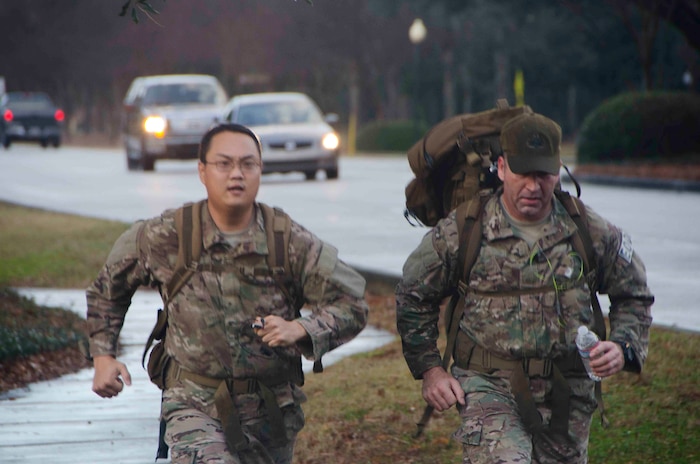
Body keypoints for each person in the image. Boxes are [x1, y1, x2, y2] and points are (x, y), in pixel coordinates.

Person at [86, 123, 369, 464]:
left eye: (248, 164)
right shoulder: (165, 235)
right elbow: (107, 290)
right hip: (193, 402)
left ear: (260, 170)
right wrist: (103, 357)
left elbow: (352, 303)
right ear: (202, 171)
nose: (237, 174)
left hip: (271, 411)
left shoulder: (288, 241)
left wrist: (301, 329)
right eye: (224, 164)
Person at [396, 113, 653, 463]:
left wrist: (623, 345)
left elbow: (634, 294)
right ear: (501, 168)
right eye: (523, 173)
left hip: (568, 391)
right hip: (488, 385)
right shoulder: (465, 229)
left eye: (544, 175)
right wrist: (431, 370)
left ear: (558, 170)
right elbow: (413, 296)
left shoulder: (588, 229)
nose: (534, 186)